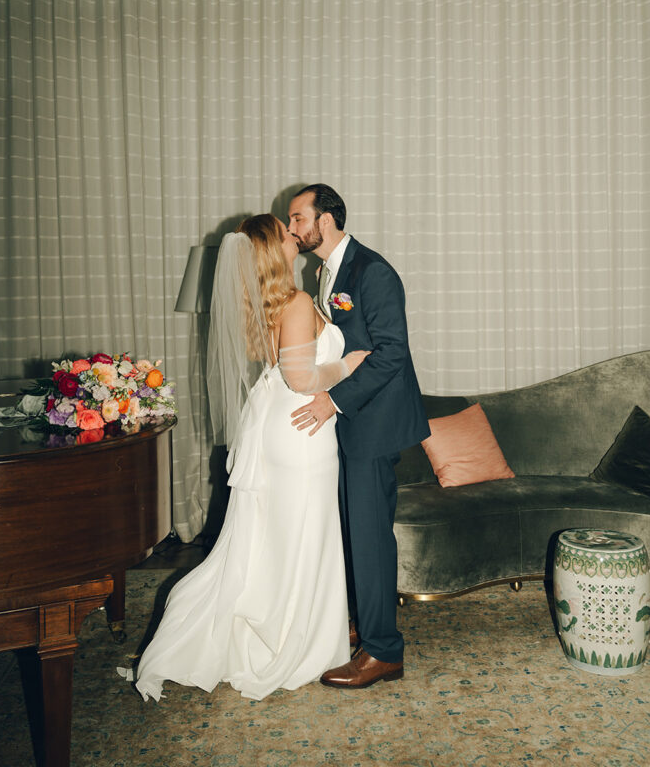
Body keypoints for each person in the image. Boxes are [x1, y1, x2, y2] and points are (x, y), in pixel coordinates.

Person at [123, 213, 369, 702]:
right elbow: (302, 379)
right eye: (286, 229)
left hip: (279, 423)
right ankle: (295, 644)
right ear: (273, 247)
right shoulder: (295, 302)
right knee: (302, 534)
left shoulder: (267, 302)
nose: (295, 233)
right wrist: (352, 363)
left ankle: (292, 630)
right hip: (302, 427)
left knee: (280, 536)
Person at [288, 184, 431, 689]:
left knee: (369, 537)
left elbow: (392, 353)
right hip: (351, 420)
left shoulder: (374, 271)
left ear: (325, 218)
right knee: (352, 529)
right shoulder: (324, 272)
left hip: (375, 420)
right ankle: (364, 623)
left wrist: (333, 400)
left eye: (298, 217)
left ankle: (384, 651)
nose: (292, 228)